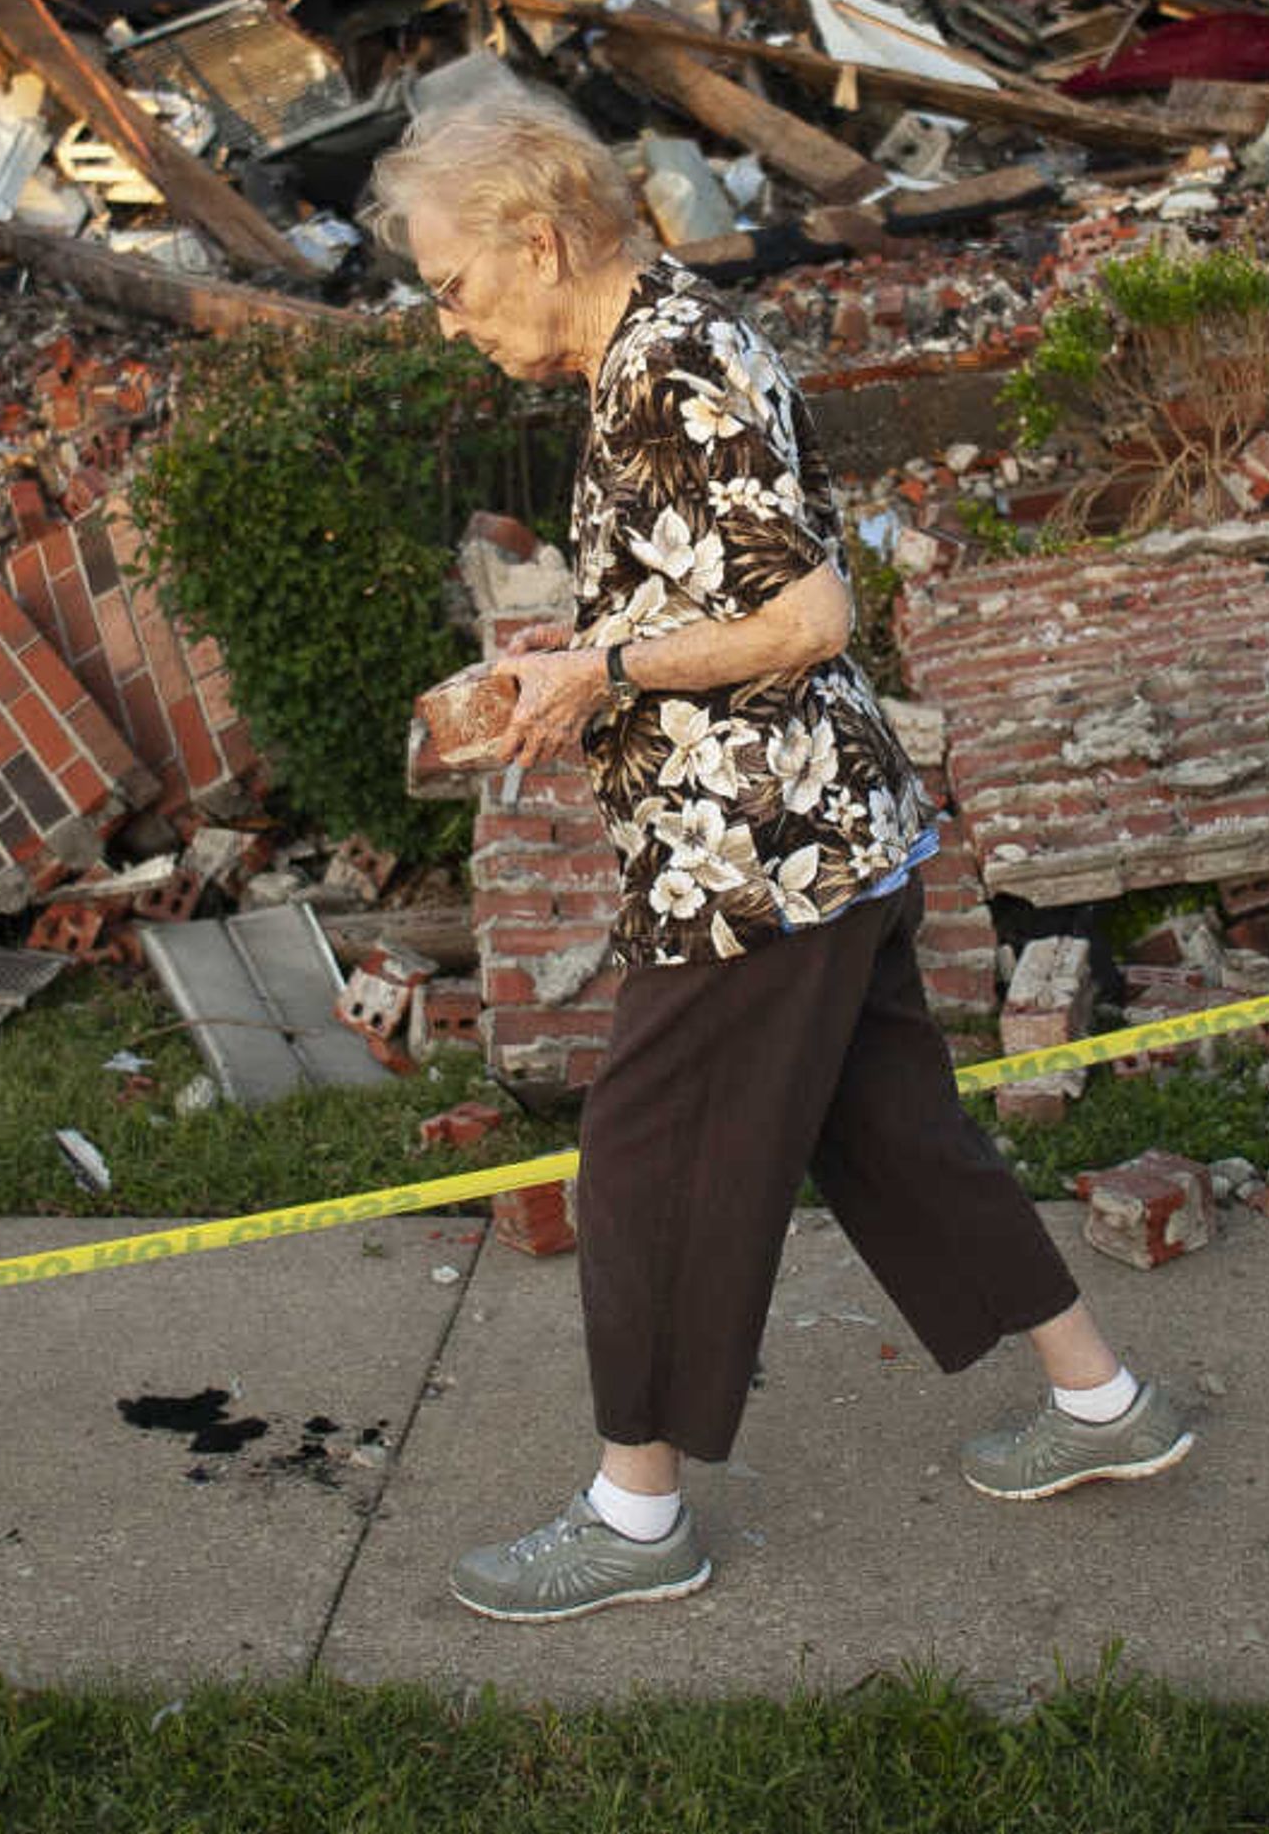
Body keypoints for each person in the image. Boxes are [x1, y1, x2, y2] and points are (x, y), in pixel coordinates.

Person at [365, 78, 1191, 1624]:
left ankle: (638, 1516)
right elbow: (728, 588)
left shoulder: (673, 367)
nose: (449, 317)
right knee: (891, 1137)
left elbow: (815, 620)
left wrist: (601, 676)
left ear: (537, 242)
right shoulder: (655, 343)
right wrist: (586, 654)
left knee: (643, 1169)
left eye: (452, 283)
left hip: (757, 857)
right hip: (821, 837)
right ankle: (1105, 1407)